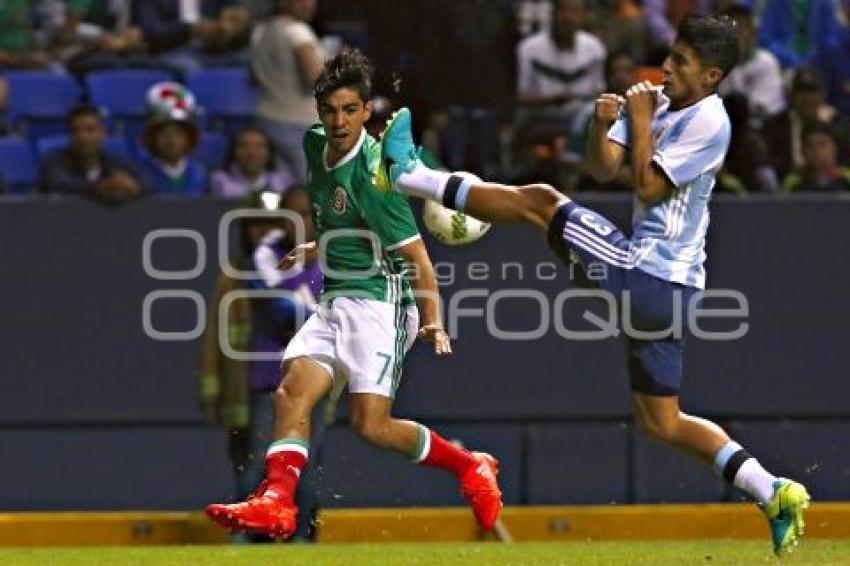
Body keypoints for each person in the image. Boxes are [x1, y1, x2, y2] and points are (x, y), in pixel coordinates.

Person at [376, 15, 810, 557]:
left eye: (681, 63)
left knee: (539, 201)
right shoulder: (664, 101)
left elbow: (649, 189)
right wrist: (603, 123)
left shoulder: (710, 122)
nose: (667, 67)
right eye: (670, 54)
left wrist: (644, 118)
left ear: (713, 75)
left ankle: (407, 175)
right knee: (662, 422)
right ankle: (774, 491)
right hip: (668, 295)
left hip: (648, 276)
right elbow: (602, 169)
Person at [205, 47, 503, 539]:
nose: (339, 121)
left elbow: (420, 262)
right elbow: (339, 221)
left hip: (382, 306)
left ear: (367, 111)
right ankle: (278, 502)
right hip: (336, 299)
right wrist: (314, 246)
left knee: (372, 426)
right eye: (330, 110)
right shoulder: (313, 144)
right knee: (291, 392)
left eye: (350, 110)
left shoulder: (375, 180)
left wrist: (433, 320)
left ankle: (471, 465)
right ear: (319, 113)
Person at [250, 0, 324, 183]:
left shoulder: (260, 31)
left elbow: (252, 78)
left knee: (279, 187)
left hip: (264, 119)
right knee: (308, 189)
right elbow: (315, 79)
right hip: (299, 125)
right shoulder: (297, 31)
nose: (309, 4)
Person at [39, 104, 142, 205]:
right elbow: (58, 183)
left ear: (103, 133)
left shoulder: (116, 161)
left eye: (90, 130)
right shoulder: (54, 160)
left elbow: (147, 185)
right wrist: (102, 186)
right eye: (75, 131)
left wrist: (133, 187)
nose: (82, 137)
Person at [137, 82, 209, 195]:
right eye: (164, 133)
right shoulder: (140, 173)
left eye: (178, 134)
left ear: (188, 139)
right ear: (153, 138)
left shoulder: (199, 174)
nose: (171, 140)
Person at [211, 126, 297, 199]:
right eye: (243, 146)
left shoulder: (284, 182)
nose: (251, 152)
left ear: (269, 152)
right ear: (233, 151)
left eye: (258, 146)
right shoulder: (219, 180)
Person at [782, 121, 850, 192]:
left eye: (821, 144)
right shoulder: (793, 181)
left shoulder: (847, 178)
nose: (816, 151)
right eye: (809, 146)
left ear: (834, 148)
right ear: (802, 151)